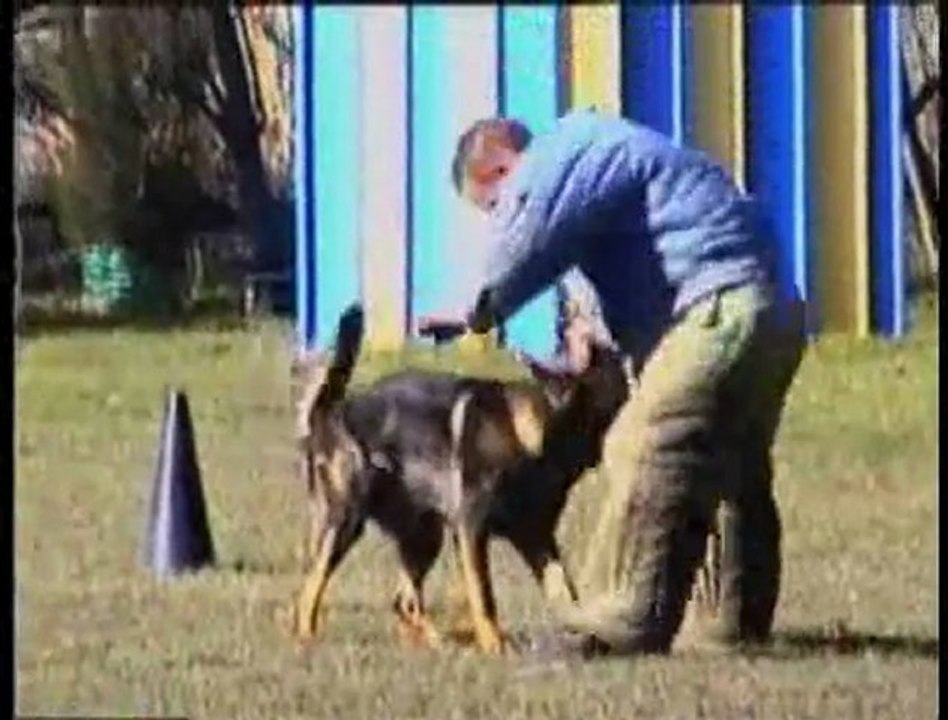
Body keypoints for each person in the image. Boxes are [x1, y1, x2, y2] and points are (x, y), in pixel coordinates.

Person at [420, 108, 806, 657]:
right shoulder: (614, 158)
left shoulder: (559, 154)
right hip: (771, 312)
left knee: (643, 444)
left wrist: (475, 308)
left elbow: (528, 234)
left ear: (501, 169)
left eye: (492, 207)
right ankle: (730, 624)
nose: (499, 216)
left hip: (716, 311)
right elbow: (626, 262)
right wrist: (590, 333)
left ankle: (613, 624)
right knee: (729, 466)